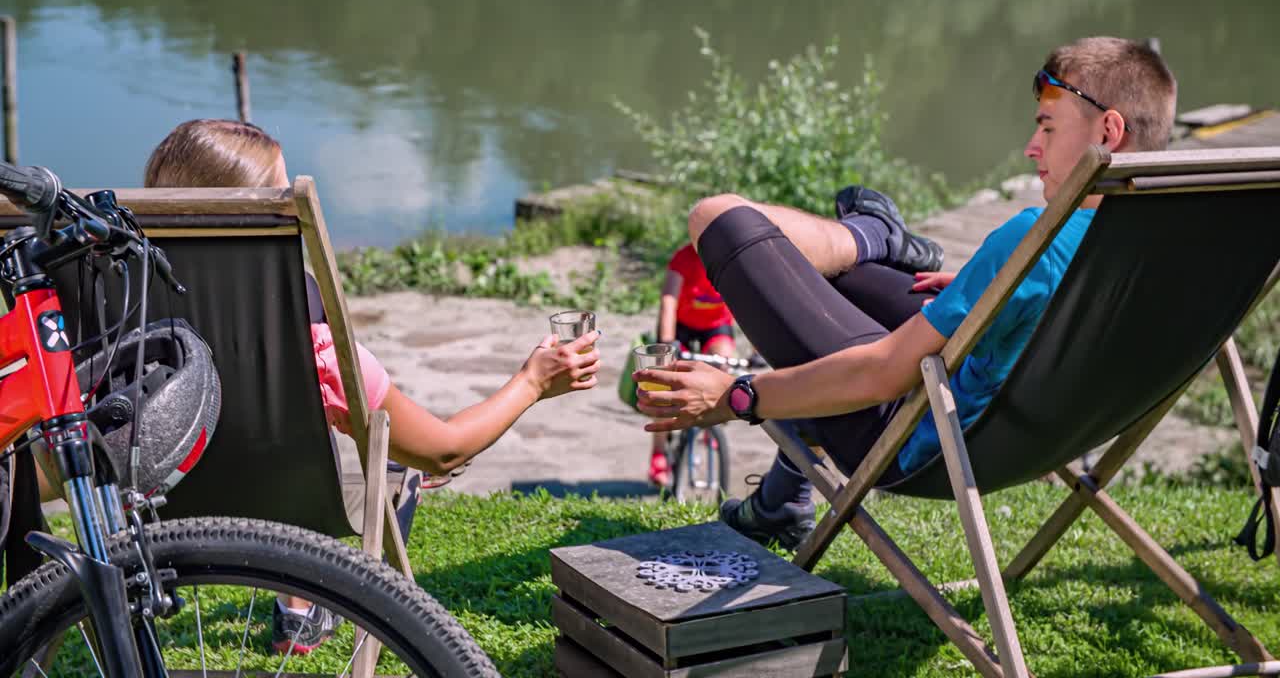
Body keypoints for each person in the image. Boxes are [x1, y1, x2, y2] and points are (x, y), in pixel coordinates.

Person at [633, 37, 1176, 550]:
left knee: (717, 218)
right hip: (1032, 437)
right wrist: (985, 290)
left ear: (1108, 130)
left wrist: (735, 395)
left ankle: (871, 235)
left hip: (911, 433)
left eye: (1048, 128)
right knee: (790, 259)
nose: (1031, 148)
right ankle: (782, 501)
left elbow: (880, 374)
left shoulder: (1038, 240)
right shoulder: (1165, 238)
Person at [143, 118, 602, 653]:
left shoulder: (116, 322)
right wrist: (532, 382)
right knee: (398, 462)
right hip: (286, 506)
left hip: (156, 511)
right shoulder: (304, 336)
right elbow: (445, 450)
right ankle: (302, 610)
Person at [647, 243, 737, 486]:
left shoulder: (730, 256)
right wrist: (666, 342)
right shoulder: (684, 258)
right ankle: (658, 454)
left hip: (715, 325)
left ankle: (711, 424)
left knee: (724, 362)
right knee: (664, 386)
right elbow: (668, 300)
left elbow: (751, 299)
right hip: (681, 325)